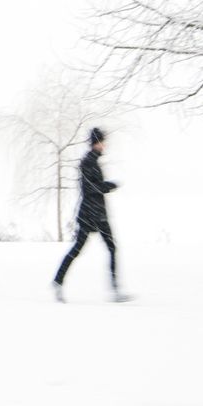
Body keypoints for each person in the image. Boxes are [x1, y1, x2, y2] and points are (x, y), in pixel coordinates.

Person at [52, 128, 130, 302]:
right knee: (79, 249)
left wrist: (104, 186)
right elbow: (89, 188)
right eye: (103, 141)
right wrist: (108, 186)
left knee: (110, 247)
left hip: (97, 212)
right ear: (97, 142)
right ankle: (58, 281)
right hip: (90, 213)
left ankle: (115, 289)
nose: (105, 145)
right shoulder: (88, 162)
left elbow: (93, 186)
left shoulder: (93, 161)